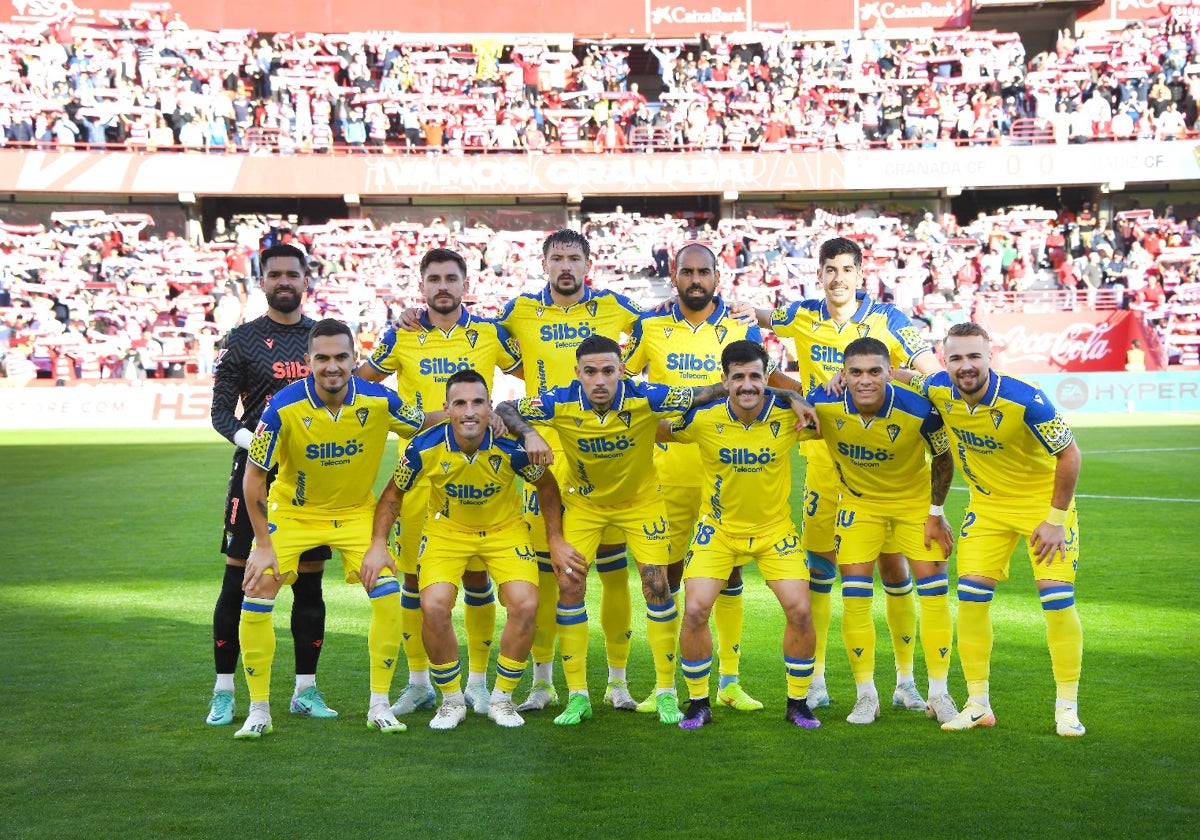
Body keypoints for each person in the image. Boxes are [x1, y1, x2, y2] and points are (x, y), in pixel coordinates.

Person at [497, 335, 803, 725]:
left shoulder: (645, 396)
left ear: (621, 371)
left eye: (609, 370)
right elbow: (506, 406)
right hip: (586, 505)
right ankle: (578, 695)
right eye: (590, 372)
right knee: (570, 585)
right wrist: (530, 432)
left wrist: (789, 396)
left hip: (642, 504)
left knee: (657, 588)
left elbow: (706, 392)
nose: (600, 380)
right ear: (578, 374)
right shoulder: (559, 401)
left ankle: (665, 692)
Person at [755, 236, 942, 713]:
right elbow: (749, 322)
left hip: (885, 471)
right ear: (819, 274)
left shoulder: (890, 320)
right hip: (824, 466)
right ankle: (815, 679)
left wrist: (892, 376)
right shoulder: (799, 314)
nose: (838, 277)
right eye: (829, 269)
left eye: (846, 269)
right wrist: (795, 387)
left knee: (893, 570)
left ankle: (905, 682)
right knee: (819, 573)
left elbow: (932, 375)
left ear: (861, 274)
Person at [621, 243, 802, 714]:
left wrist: (796, 398)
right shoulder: (651, 326)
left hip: (728, 476)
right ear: (675, 275)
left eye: (704, 271)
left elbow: (767, 378)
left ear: (717, 276)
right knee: (667, 579)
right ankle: (665, 687)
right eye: (687, 271)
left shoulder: (742, 324)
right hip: (672, 472)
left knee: (732, 575)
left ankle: (729, 681)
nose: (695, 279)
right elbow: (624, 382)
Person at [234, 318, 426, 739]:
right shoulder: (280, 407)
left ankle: (379, 705)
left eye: (341, 357)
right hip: (294, 513)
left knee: (389, 592)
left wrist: (472, 415)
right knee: (258, 586)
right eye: (322, 358)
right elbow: (253, 476)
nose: (332, 366)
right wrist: (262, 545)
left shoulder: (380, 400)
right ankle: (259, 710)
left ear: (355, 359)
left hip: (357, 515)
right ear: (308, 361)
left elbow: (423, 422)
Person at [362, 369, 577, 730]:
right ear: (446, 409)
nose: (469, 411)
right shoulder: (423, 447)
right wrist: (377, 545)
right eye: (459, 403)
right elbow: (392, 495)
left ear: (489, 407)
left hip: (505, 530)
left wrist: (555, 539)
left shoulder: (511, 446)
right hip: (447, 530)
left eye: (478, 402)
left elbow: (549, 487)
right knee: (432, 605)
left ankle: (502, 698)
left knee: (525, 603)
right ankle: (451, 700)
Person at [357, 248, 522, 719]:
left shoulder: (490, 334)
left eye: (451, 277)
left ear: (465, 284)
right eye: (434, 279)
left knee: (477, 579)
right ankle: (418, 683)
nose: (442, 286)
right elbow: (362, 387)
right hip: (420, 473)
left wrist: (510, 419)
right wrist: (405, 418)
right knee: (415, 583)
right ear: (422, 285)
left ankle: (476, 684)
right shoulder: (400, 336)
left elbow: (535, 371)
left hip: (477, 469)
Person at [913, 322, 1085, 736]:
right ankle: (977, 704)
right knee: (971, 598)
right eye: (956, 358)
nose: (966, 366)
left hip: (1043, 509)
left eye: (974, 356)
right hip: (987, 509)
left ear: (991, 357)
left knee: (1056, 600)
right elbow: (902, 377)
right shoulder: (937, 386)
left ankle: (1067, 707)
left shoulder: (1027, 400)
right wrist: (846, 375)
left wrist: (1055, 520)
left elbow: (1071, 455)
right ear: (944, 360)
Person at [660, 340, 822, 730]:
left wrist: (793, 396)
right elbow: (653, 429)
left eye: (754, 376)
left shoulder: (789, 418)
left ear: (765, 378)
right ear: (724, 380)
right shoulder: (702, 418)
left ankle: (797, 702)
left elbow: (830, 406)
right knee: (696, 610)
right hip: (718, 530)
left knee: (800, 610)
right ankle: (698, 702)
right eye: (738, 377)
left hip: (773, 530)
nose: (747, 385)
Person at [206, 243, 335, 727]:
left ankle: (306, 689)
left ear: (306, 279)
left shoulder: (322, 337)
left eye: (292, 274)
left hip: (313, 476)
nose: (284, 281)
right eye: (274, 273)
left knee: (309, 583)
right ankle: (224, 691)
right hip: (256, 475)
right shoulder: (240, 340)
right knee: (239, 580)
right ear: (261, 280)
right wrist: (258, 445)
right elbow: (221, 412)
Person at [807, 337, 958, 725]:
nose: (865, 380)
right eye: (855, 372)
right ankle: (865, 695)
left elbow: (943, 458)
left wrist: (935, 512)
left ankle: (939, 693)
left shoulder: (920, 411)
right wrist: (797, 399)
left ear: (890, 373)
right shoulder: (823, 403)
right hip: (858, 505)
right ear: (843, 374)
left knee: (934, 595)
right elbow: (779, 399)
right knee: (855, 597)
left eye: (875, 371)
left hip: (913, 506)